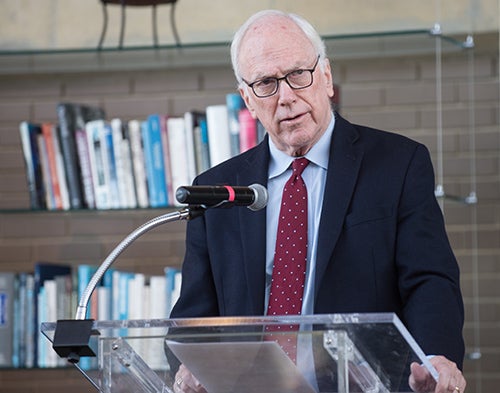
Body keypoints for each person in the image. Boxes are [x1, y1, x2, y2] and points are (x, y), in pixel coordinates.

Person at [169, 9, 466, 393]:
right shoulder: (218, 190)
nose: (287, 97)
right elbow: (193, 318)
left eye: (297, 74)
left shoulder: (398, 164)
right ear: (247, 98)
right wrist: (187, 366)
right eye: (266, 84)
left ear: (325, 77)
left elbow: (430, 280)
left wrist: (433, 357)